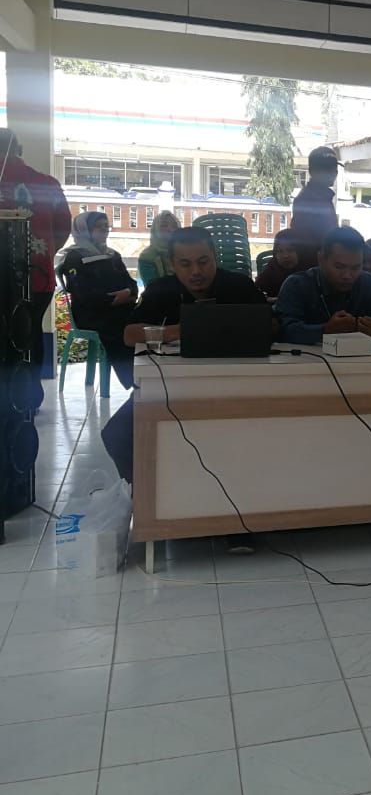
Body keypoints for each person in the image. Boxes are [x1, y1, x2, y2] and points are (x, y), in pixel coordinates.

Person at [101, 226, 269, 558]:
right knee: (117, 434)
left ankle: (235, 523)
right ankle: (157, 508)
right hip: (170, 385)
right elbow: (130, 334)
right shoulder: (162, 290)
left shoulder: (238, 285)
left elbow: (271, 325)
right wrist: (180, 330)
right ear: (173, 265)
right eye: (186, 264)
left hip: (234, 386)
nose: (196, 271)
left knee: (233, 442)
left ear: (215, 259)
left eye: (203, 261)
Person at [0, 128, 71, 377]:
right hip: (37, 275)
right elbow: (63, 228)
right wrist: (43, 251)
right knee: (30, 332)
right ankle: (29, 393)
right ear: (18, 149)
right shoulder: (47, 184)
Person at [275, 226, 371, 345]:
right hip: (306, 361)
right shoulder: (297, 285)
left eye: (355, 268)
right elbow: (282, 330)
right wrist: (324, 331)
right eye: (339, 267)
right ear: (321, 260)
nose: (347, 275)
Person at [56, 211, 137, 388]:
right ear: (84, 230)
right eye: (98, 227)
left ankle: (149, 375)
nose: (104, 230)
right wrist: (112, 300)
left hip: (120, 307)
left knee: (143, 321)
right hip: (90, 313)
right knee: (120, 327)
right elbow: (81, 292)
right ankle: (133, 380)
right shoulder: (74, 257)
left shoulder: (112, 255)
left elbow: (131, 283)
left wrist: (127, 292)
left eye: (106, 226)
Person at [290, 146, 341, 268]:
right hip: (315, 268)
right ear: (311, 172)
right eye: (326, 169)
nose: (333, 173)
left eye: (334, 168)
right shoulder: (307, 200)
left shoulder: (324, 197)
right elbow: (306, 245)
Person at [256, 228, 305, 299]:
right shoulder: (271, 269)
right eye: (280, 251)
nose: (285, 256)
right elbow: (257, 292)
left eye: (290, 250)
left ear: (299, 252)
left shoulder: (308, 273)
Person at [137, 210, 179, 285]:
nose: (170, 230)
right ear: (156, 229)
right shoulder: (147, 256)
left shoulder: (183, 252)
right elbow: (153, 287)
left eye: (174, 226)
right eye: (164, 225)